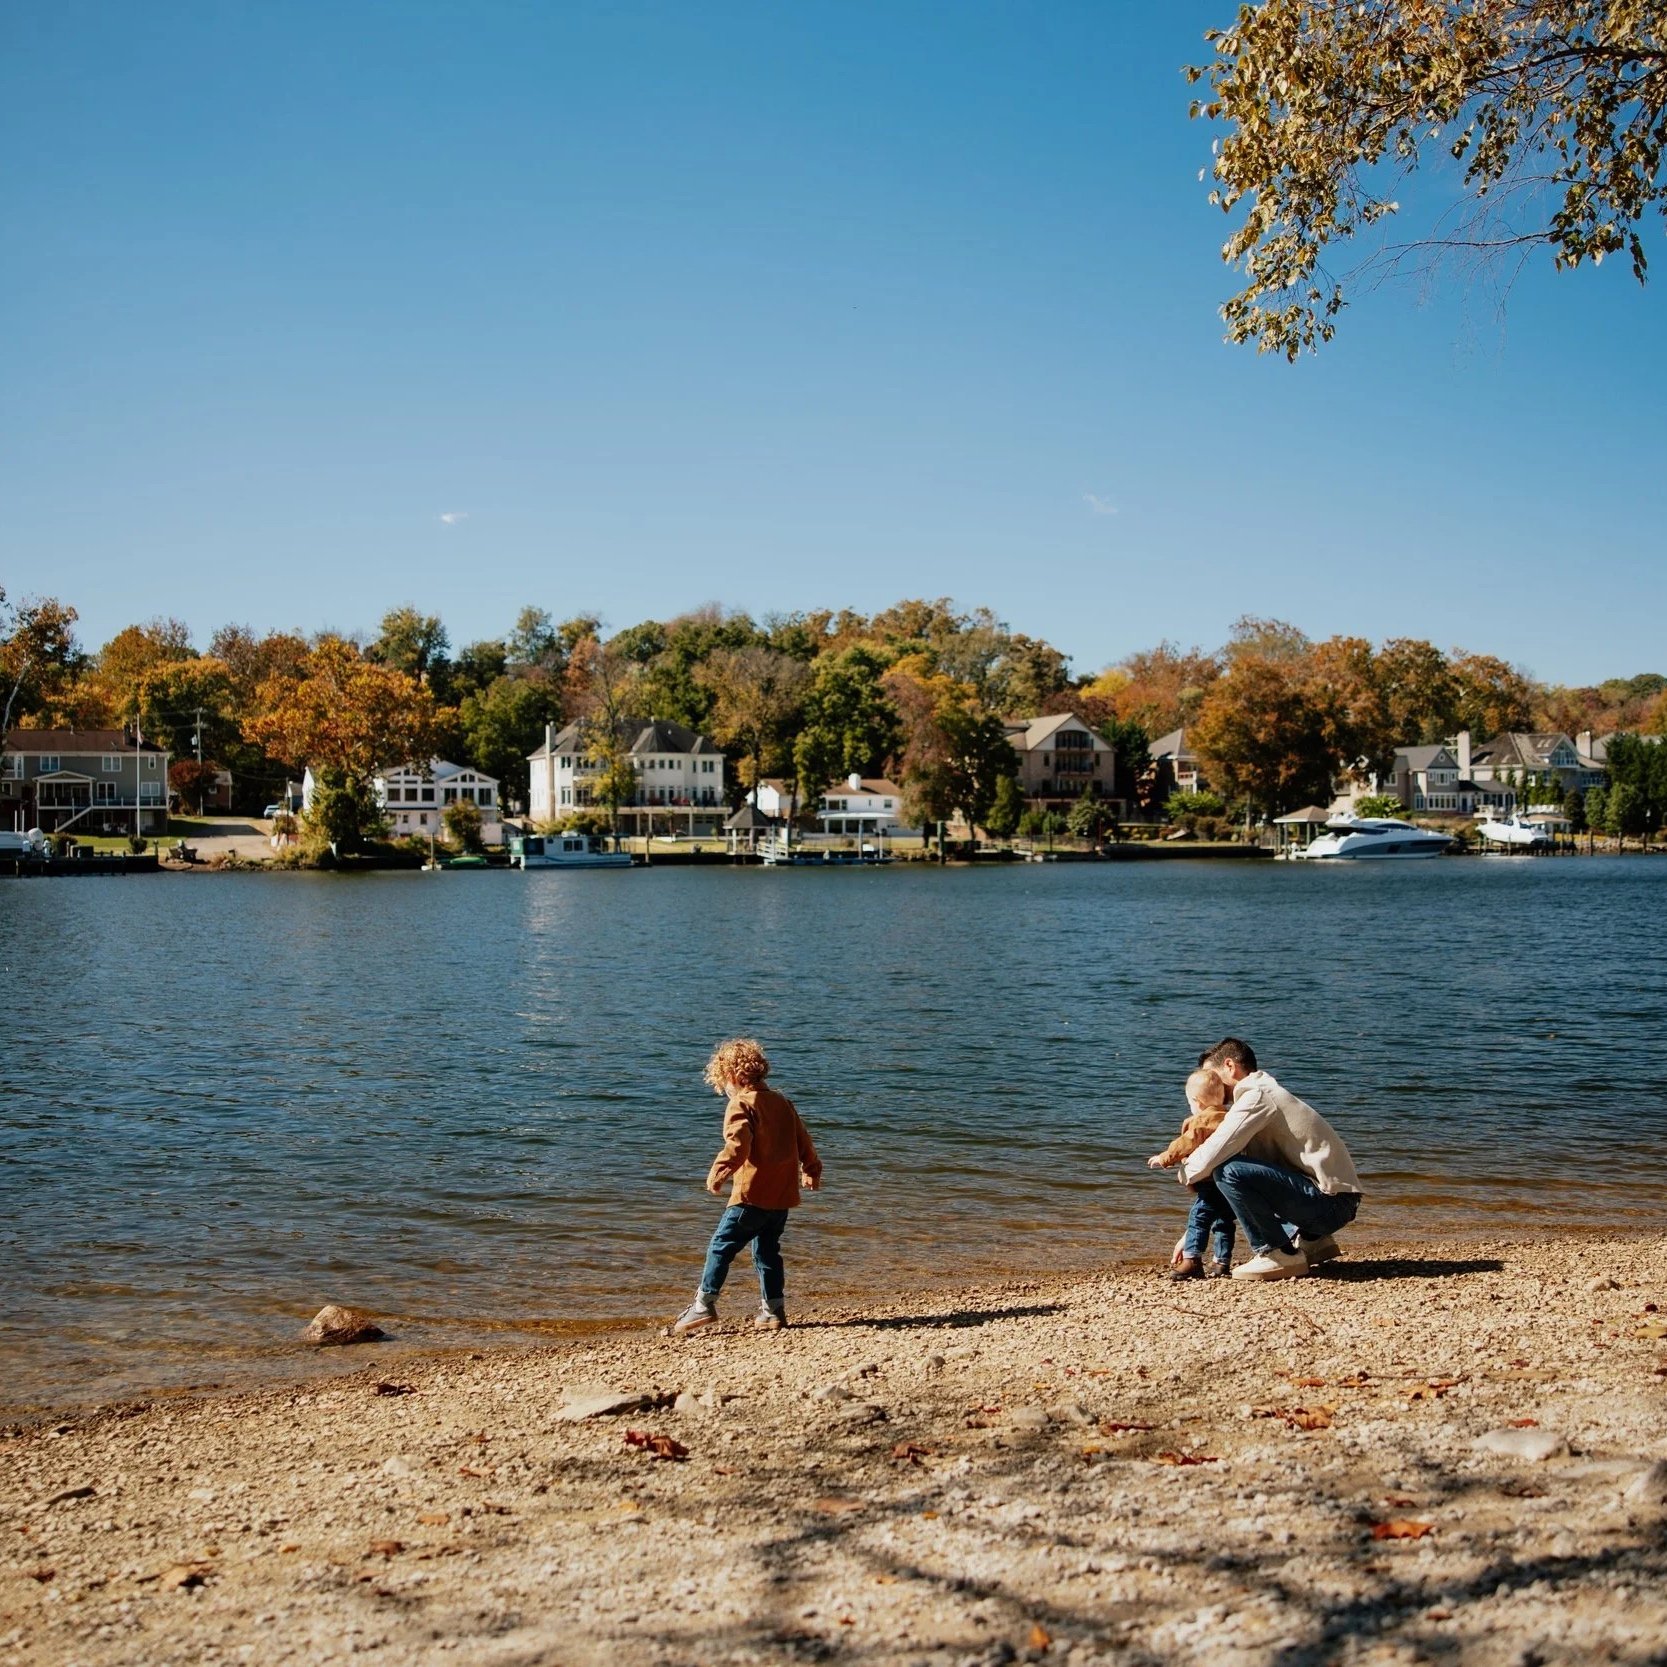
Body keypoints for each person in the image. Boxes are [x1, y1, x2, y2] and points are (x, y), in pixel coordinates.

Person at [669, 1038, 822, 1334]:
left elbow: (738, 1144)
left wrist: (719, 1172)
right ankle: (773, 1311)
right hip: (781, 1199)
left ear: (734, 1077)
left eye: (723, 1081)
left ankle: (703, 1306)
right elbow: (804, 1140)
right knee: (767, 1253)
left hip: (750, 1198)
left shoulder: (741, 1103)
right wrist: (812, 1170)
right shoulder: (783, 1102)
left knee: (720, 1247)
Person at [1178, 1037, 1362, 1282]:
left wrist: (1184, 1172)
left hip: (1330, 1206)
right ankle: (1312, 1240)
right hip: (1336, 1202)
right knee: (1241, 1169)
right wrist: (1191, 1235)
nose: (1208, 1086)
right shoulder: (1264, 1093)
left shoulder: (1256, 1096)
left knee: (1228, 1171)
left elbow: (1211, 1155)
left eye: (1211, 1077)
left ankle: (1277, 1253)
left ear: (1230, 1066)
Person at [1147, 1067, 1237, 1279]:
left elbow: (1186, 1143)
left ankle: (1192, 1259)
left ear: (1198, 1102)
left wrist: (1165, 1158)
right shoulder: (1230, 1117)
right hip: (1229, 1182)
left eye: (1190, 1103)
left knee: (1198, 1217)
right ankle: (1222, 1262)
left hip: (1209, 1183)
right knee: (1224, 1222)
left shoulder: (1201, 1121)